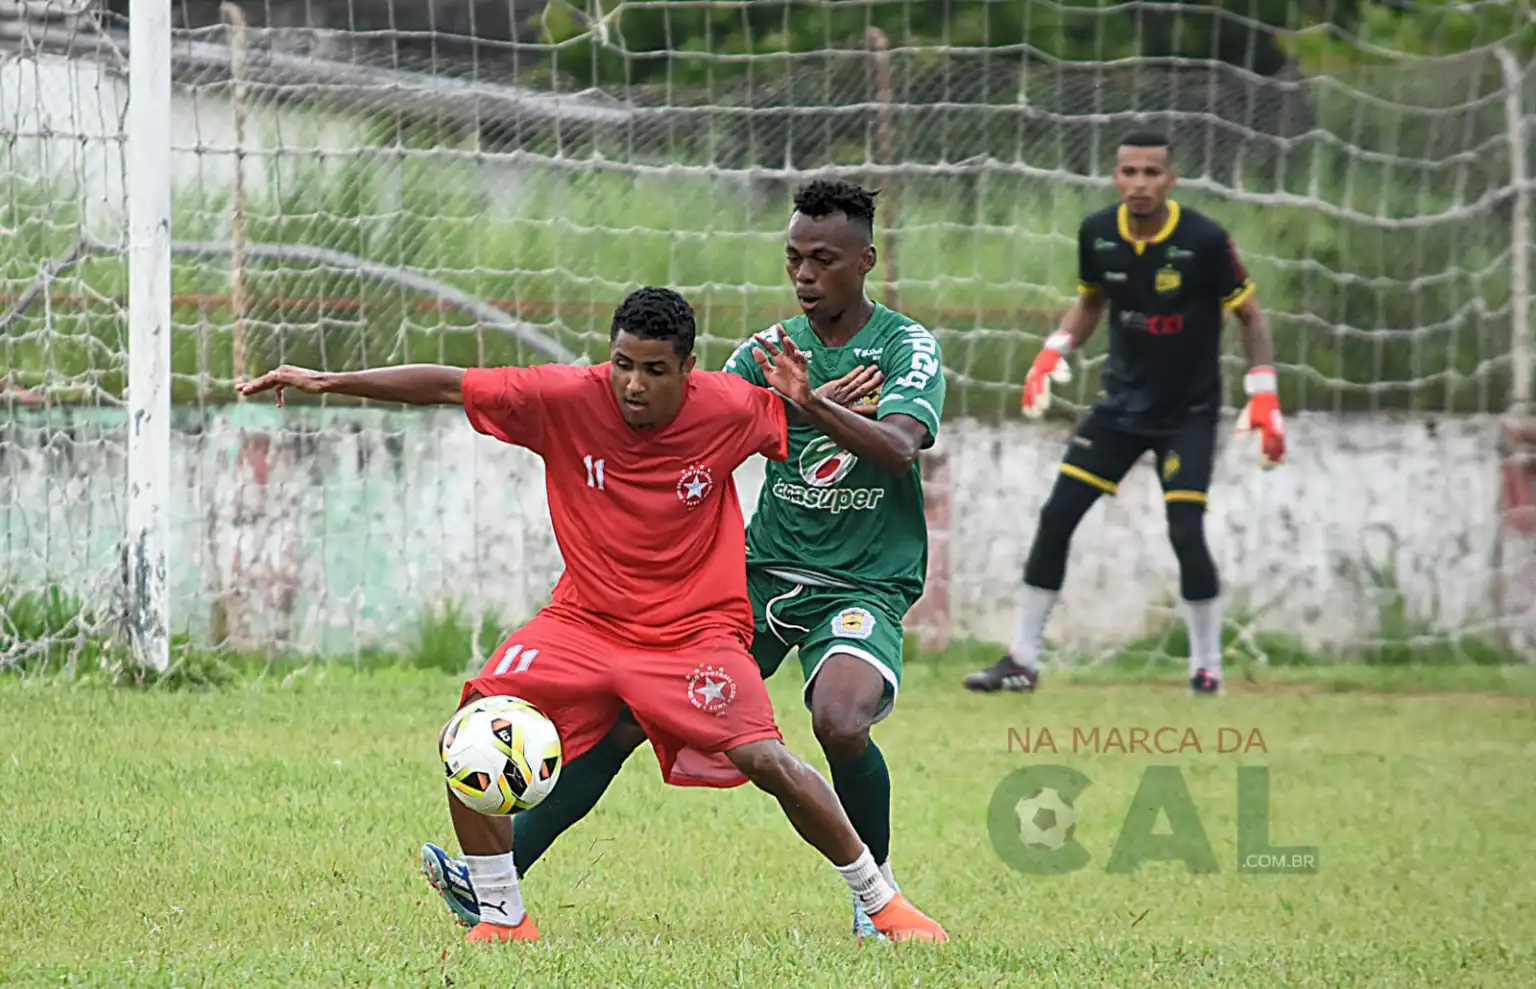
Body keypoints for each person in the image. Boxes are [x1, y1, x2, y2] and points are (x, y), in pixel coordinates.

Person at [236, 286, 948, 945]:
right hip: (581, 622)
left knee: (765, 756)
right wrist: (327, 382)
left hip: (692, 631)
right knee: (474, 727)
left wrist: (815, 401)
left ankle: (880, 899)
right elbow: (448, 384)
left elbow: (805, 419)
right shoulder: (565, 396)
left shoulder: (729, 405)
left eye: (654, 369)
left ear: (688, 370)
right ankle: (501, 914)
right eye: (623, 364)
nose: (634, 383)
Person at [418, 180, 946, 941]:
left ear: (865, 260)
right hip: (762, 571)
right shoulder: (761, 353)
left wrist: (815, 403)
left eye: (822, 259)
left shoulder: (905, 346)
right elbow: (690, 431)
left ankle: (877, 895)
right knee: (630, 715)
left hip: (862, 578)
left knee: (838, 720)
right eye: (793, 257)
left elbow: (897, 450)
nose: (803, 274)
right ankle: (496, 884)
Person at [962, 130, 1286, 697]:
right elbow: (1091, 300)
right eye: (1129, 172)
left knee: (1185, 529)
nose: (1140, 183)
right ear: (1116, 176)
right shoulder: (1097, 233)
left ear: (1171, 178)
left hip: (1188, 412)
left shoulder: (1203, 239)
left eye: (1151, 173)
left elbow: (1251, 315)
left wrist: (1263, 391)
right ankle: (1021, 660)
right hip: (1119, 407)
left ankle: (1206, 669)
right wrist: (1055, 348)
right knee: (1057, 516)